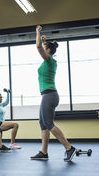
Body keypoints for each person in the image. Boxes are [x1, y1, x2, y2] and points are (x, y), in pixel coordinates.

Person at [31, 25, 76, 161]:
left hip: (49, 95)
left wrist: (37, 32)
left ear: (48, 51)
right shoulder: (49, 61)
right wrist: (45, 40)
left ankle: (69, 148)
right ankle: (44, 152)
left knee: (49, 124)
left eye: (46, 48)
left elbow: (38, 47)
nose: (43, 50)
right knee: (43, 124)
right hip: (47, 95)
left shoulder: (49, 61)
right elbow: (43, 45)